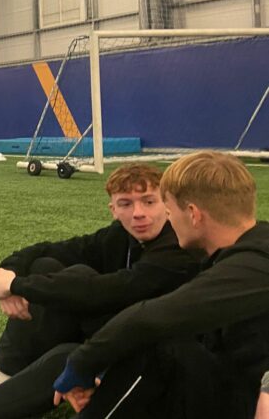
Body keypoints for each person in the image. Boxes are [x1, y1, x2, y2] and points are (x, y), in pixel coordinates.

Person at [0, 163, 201, 419]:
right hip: (121, 333)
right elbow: (58, 249)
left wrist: (17, 286)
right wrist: (9, 269)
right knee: (47, 267)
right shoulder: (121, 235)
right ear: (113, 209)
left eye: (148, 201)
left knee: (66, 352)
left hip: (154, 355)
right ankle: (7, 369)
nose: (139, 213)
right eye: (126, 204)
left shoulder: (178, 247)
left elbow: (108, 292)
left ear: (167, 204)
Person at [52, 151, 269, 419]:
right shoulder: (242, 251)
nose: (168, 220)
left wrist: (80, 363)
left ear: (193, 214)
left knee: (159, 346)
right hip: (235, 386)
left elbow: (152, 319)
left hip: (250, 400)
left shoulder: (255, 263)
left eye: (168, 211)